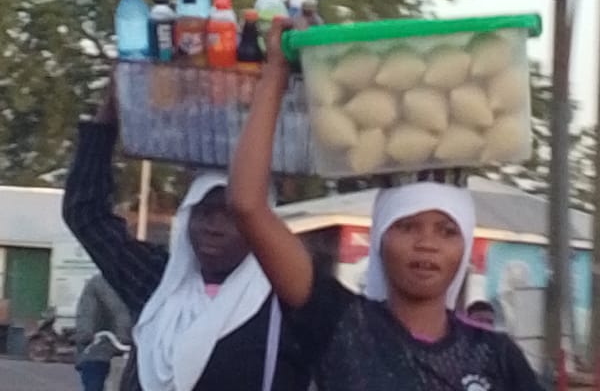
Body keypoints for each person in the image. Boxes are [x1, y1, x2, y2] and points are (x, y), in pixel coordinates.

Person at [229, 19, 545, 391]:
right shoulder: (340, 322)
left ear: (465, 247)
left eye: (446, 231)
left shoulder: (495, 356)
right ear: (379, 238)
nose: (426, 243)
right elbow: (248, 205)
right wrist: (275, 76)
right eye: (407, 226)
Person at [62, 75, 310, 391]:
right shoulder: (159, 281)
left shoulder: (286, 306)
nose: (213, 227)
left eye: (232, 215)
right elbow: (86, 213)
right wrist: (114, 103)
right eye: (204, 212)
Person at [75, 272, 132, 391]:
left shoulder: (138, 281)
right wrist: (86, 334)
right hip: (100, 346)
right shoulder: (98, 283)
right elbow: (87, 313)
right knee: (94, 381)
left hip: (133, 347)